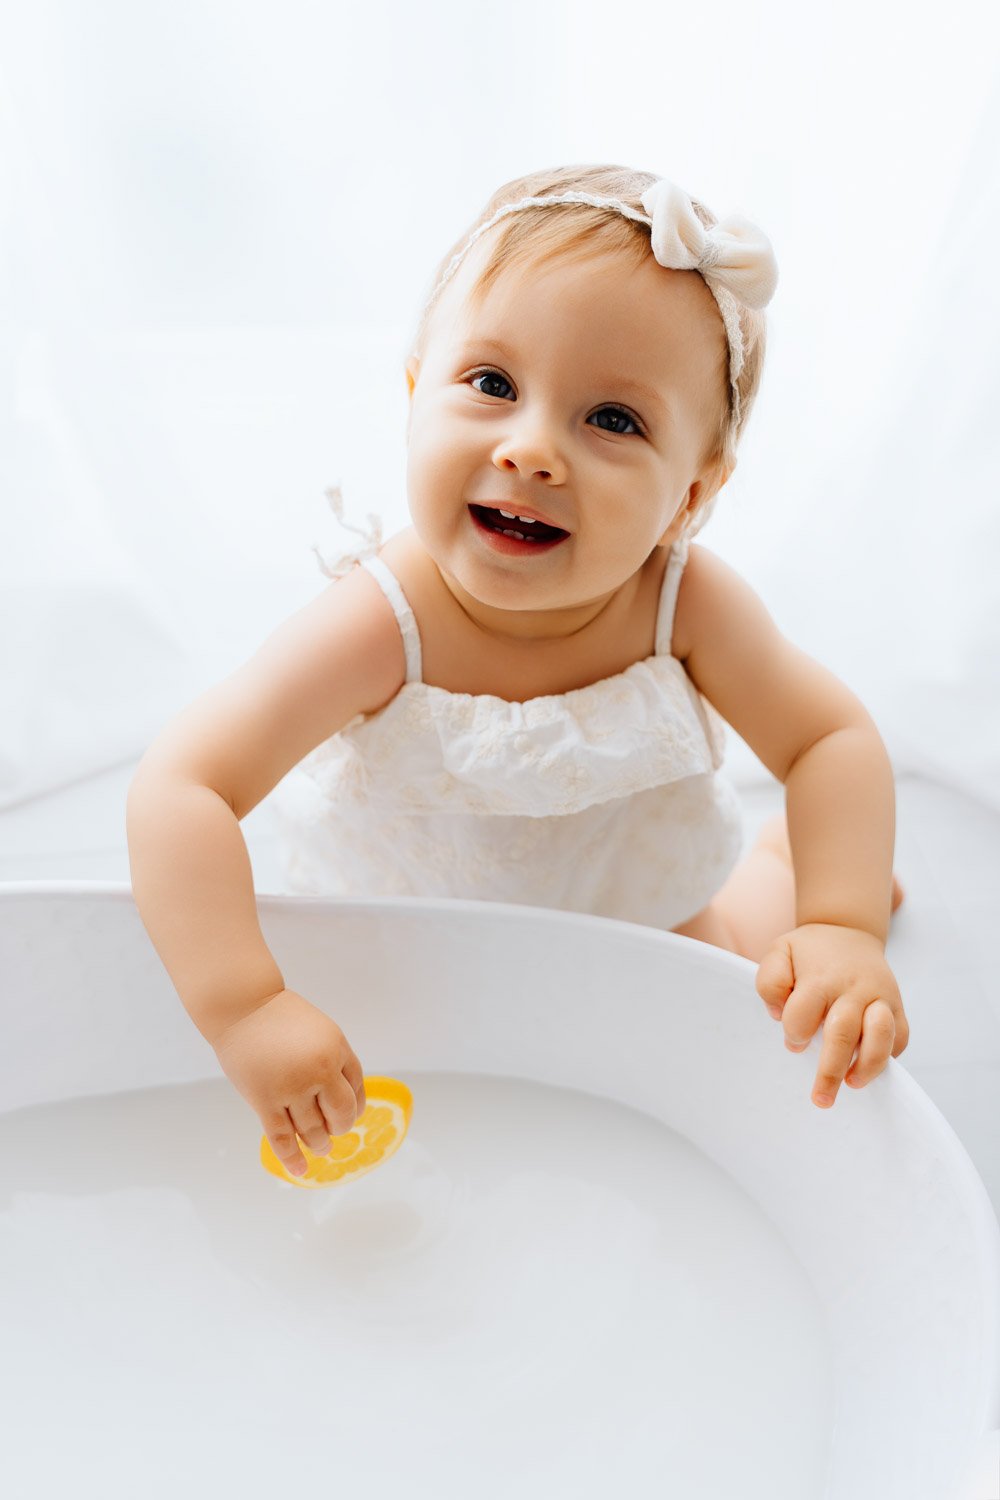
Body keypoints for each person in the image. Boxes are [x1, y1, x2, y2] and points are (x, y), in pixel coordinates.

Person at [127, 163, 909, 1180]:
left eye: (613, 420)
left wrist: (840, 923)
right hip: (411, 965)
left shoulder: (683, 603)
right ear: (414, 396)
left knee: (746, 1006)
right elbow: (179, 787)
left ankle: (783, 875)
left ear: (689, 496)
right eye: (490, 385)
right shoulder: (377, 623)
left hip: (647, 930)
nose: (533, 450)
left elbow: (826, 739)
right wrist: (245, 1009)